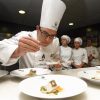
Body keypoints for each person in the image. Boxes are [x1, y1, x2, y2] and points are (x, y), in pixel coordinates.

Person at [0, 0, 66, 69]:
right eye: (45, 33)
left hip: (47, 77)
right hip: (26, 78)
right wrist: (18, 51)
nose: (47, 40)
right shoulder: (25, 36)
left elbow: (56, 58)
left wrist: (57, 64)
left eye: (52, 36)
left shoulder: (56, 41)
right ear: (38, 29)